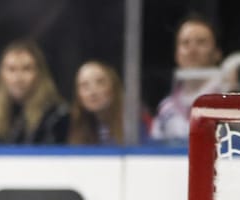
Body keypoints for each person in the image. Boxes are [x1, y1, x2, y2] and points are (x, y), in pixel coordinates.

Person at [150, 14, 222, 144]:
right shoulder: (166, 109)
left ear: (217, 53)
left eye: (201, 42)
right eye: (185, 43)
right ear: (177, 55)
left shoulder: (230, 100)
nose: (192, 49)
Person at [0, 39, 68, 145]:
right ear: (1, 74)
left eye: (26, 69)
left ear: (39, 74)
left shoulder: (56, 116)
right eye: (11, 69)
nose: (18, 78)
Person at [68, 60, 147, 145]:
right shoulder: (78, 126)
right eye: (84, 85)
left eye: (100, 82)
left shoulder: (135, 120)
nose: (92, 92)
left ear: (113, 87)